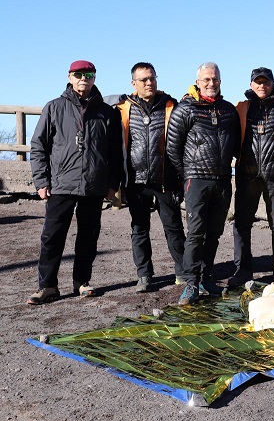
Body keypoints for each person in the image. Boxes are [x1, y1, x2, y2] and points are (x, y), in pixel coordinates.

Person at [28, 60, 123, 304]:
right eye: (78, 74)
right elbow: (39, 146)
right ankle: (47, 286)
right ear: (70, 77)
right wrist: (41, 180)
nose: (84, 78)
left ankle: (82, 282)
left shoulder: (107, 112)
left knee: (88, 236)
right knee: (52, 237)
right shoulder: (54, 107)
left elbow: (115, 152)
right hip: (61, 184)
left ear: (94, 77)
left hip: (93, 185)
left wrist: (112, 184)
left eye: (88, 74)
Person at [166, 62, 240, 305]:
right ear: (197, 81)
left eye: (215, 79)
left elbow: (236, 144)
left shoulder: (228, 110)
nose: (211, 83)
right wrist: (187, 173)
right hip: (196, 179)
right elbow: (173, 148)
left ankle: (207, 277)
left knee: (214, 233)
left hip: (221, 180)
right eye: (206, 79)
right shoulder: (185, 109)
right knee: (196, 233)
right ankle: (190, 282)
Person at [117, 62, 185, 292]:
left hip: (165, 178)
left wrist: (181, 178)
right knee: (139, 229)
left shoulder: (171, 105)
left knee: (173, 227)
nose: (149, 83)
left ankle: (182, 271)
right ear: (133, 83)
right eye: (144, 79)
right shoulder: (123, 108)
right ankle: (144, 275)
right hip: (135, 180)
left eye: (152, 78)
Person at [229, 67, 274, 289]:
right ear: (251, 85)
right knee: (241, 224)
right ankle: (243, 269)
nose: (261, 86)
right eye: (257, 82)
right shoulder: (240, 109)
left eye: (265, 82)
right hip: (247, 175)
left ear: (273, 84)